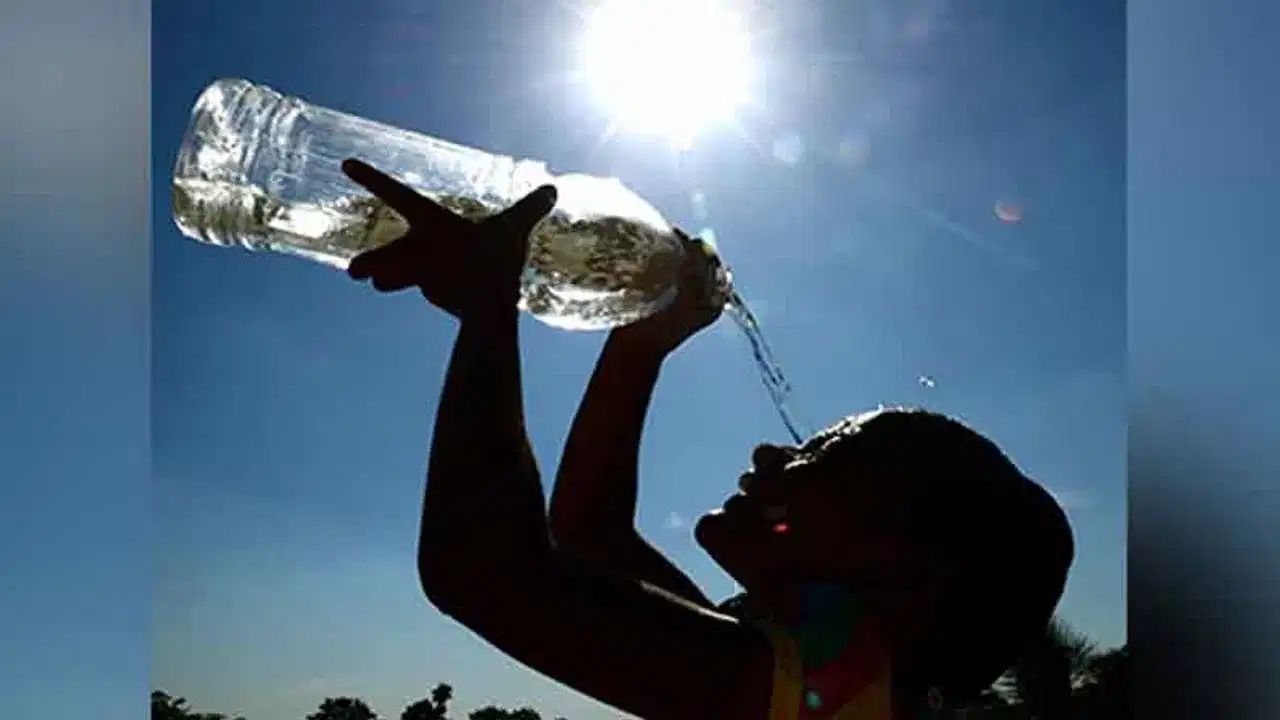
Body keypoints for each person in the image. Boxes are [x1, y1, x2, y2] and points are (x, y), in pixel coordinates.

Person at [340, 158, 1075, 720]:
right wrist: (638, 346)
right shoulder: (787, 675)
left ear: (910, 575)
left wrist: (488, 305)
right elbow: (589, 535)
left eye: (823, 460)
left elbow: (485, 573)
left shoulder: (830, 701)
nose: (768, 454)